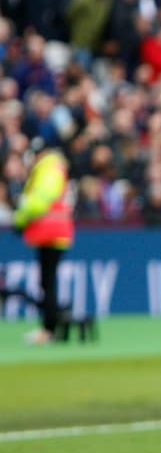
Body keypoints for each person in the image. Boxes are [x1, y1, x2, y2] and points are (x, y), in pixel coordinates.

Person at [13, 145, 74, 345]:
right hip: (55, 233)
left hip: (50, 233)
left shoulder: (49, 168)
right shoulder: (54, 167)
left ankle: (49, 328)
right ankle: (50, 326)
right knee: (47, 282)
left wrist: (20, 219)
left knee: (47, 283)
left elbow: (39, 201)